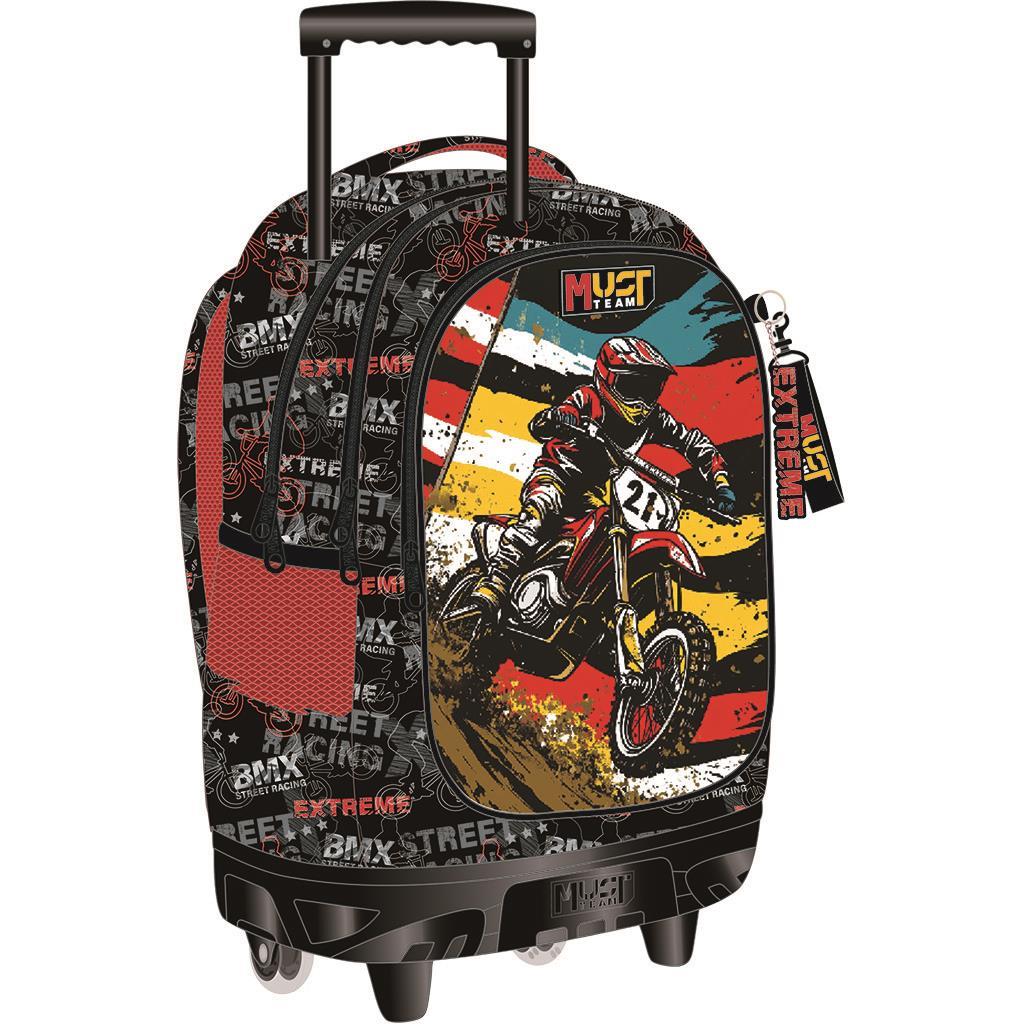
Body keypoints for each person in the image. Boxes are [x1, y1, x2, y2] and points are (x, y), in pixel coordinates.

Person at [457, 336, 736, 621]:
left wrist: (720, 482)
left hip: (594, 494)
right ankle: (496, 583)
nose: (641, 400)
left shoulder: (654, 419)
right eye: (633, 387)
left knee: (611, 531)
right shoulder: (588, 399)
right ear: (607, 378)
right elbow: (558, 415)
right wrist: (562, 418)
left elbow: (691, 441)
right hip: (558, 476)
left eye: (649, 389)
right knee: (540, 510)